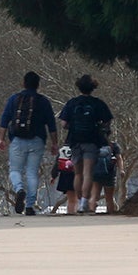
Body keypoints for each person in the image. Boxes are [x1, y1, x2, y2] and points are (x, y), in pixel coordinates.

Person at [0, 71, 58, 216]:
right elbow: (51, 124)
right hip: (37, 141)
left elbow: (4, 120)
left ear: (23, 83)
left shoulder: (14, 99)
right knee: (32, 172)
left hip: (17, 140)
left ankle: (19, 190)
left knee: (15, 170)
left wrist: (1, 139)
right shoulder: (43, 101)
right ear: (38, 85)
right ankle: (30, 205)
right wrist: (54, 143)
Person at [59, 74, 113, 216]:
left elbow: (63, 123)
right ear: (93, 87)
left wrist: (73, 126)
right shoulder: (98, 103)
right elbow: (107, 121)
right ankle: (84, 202)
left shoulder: (72, 103)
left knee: (77, 173)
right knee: (88, 172)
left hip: (75, 140)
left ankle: (78, 199)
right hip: (92, 140)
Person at [94, 141, 122, 214]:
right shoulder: (114, 145)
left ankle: (91, 212)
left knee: (94, 196)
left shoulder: (93, 144)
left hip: (95, 173)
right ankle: (111, 213)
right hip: (110, 173)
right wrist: (121, 170)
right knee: (109, 197)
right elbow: (119, 158)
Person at [49, 146, 78, 215]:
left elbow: (57, 164)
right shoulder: (81, 147)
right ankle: (73, 212)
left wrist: (53, 176)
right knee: (75, 199)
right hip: (78, 175)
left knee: (71, 199)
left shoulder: (63, 149)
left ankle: (70, 212)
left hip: (65, 175)